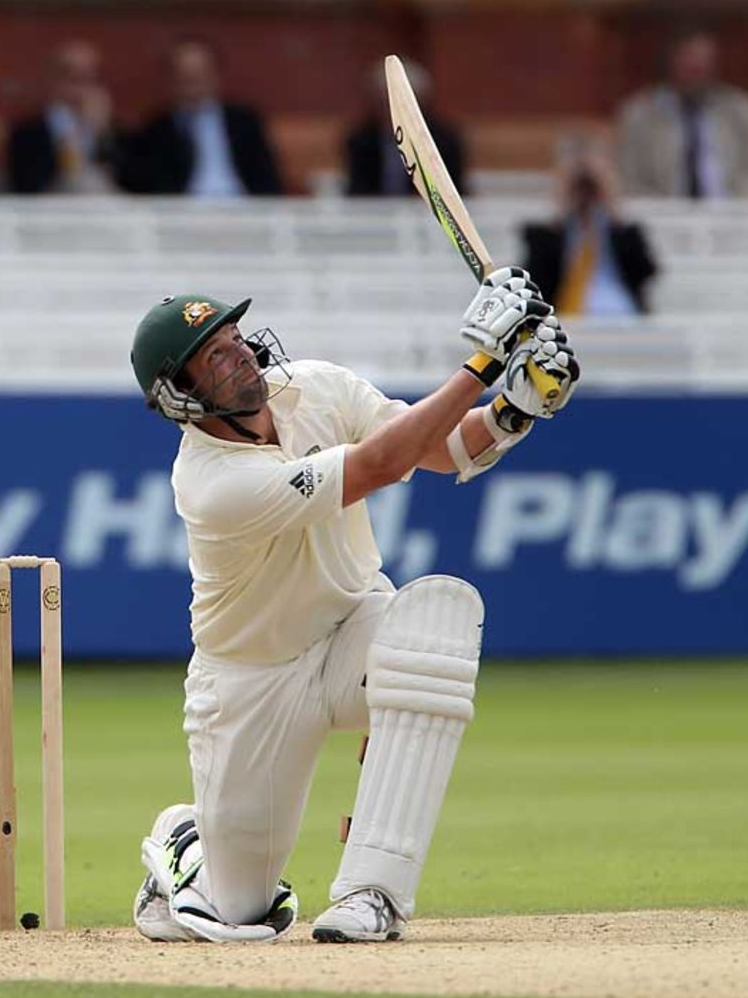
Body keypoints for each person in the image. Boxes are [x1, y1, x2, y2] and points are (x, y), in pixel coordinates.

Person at [127, 275, 578, 943]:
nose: (242, 354)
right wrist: (483, 361)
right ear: (183, 393)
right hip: (254, 678)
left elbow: (438, 446)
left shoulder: (316, 386)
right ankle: (185, 842)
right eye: (215, 355)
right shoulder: (210, 481)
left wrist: (515, 409)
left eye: (234, 339)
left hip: (353, 626)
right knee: (239, 913)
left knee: (431, 633)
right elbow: (378, 466)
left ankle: (373, 892)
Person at [617, 26, 748, 198]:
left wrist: (737, 207)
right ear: (671, 62)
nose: (699, 69)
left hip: (733, 213)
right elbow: (629, 180)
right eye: (690, 61)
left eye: (706, 61)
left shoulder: (742, 109)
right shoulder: (639, 114)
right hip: (662, 215)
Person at [129, 37, 281, 197]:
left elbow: (267, 179)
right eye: (185, 75)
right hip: (182, 214)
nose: (193, 82)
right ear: (171, 79)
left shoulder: (244, 122)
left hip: (242, 210)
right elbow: (144, 183)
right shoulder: (157, 128)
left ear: (216, 75)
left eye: (200, 74)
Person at [522, 138, 658, 316]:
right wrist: (562, 207)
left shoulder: (625, 233)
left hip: (621, 316)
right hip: (563, 318)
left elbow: (647, 271)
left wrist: (612, 204)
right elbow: (534, 280)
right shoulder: (543, 236)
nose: (585, 194)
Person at [6, 40, 130, 194]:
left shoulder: (115, 131)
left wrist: (102, 134)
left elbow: (131, 182)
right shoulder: (27, 132)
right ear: (52, 78)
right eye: (71, 77)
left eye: (87, 77)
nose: (79, 87)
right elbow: (27, 183)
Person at [344, 60, 465, 197]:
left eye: (403, 106)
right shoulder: (360, 140)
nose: (392, 111)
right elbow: (358, 192)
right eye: (385, 103)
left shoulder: (444, 141)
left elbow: (454, 192)